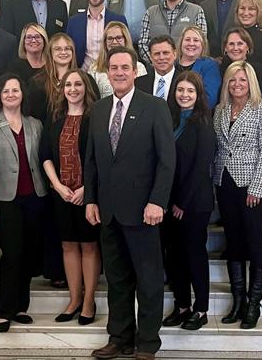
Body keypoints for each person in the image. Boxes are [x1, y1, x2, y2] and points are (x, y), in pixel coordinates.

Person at [84, 46, 175, 360]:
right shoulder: (99, 110)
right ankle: (119, 338)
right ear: (107, 73)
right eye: (114, 68)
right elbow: (92, 160)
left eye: (125, 67)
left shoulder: (155, 107)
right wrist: (91, 200)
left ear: (135, 72)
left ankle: (147, 343)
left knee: (148, 280)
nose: (119, 72)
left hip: (144, 212)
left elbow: (167, 161)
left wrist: (157, 201)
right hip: (108, 212)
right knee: (117, 280)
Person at [0, 73, 48, 333]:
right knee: (12, 253)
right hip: (3, 201)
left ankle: (20, 307)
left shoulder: (35, 124)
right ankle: (3, 311)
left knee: (28, 253)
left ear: (22, 94)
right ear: (0, 95)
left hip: (34, 198)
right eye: (6, 90)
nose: (10, 94)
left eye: (15, 90)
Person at [213, 61, 262, 329]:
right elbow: (219, 148)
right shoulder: (220, 110)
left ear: (251, 82)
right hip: (224, 183)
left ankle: (253, 305)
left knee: (254, 243)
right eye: (232, 80)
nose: (237, 84)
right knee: (234, 243)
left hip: (252, 186)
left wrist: (257, 187)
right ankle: (238, 301)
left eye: (242, 80)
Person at [40, 69, 101, 325]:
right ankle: (74, 299)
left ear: (86, 88)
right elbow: (45, 155)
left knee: (89, 245)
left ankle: (89, 301)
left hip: (88, 195)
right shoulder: (55, 119)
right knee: (67, 245)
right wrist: (57, 186)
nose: (73, 89)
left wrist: (86, 189)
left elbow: (101, 157)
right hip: (62, 195)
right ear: (62, 90)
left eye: (78, 84)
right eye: (68, 85)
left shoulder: (95, 117)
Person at [162, 71, 216, 331]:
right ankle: (182, 305)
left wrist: (182, 203)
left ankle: (201, 309)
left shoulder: (203, 122)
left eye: (190, 91)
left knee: (194, 254)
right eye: (180, 90)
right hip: (169, 201)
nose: (184, 95)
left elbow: (200, 167)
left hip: (194, 202)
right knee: (174, 256)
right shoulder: (169, 119)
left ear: (198, 95)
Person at [27, 33, 99, 123]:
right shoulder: (37, 82)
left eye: (67, 48)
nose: (63, 52)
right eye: (58, 49)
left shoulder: (87, 79)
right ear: (50, 53)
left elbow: (95, 110)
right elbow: (33, 115)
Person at [138, 0, 206, 64]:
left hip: (187, 69)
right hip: (157, 68)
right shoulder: (150, 12)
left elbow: (201, 42)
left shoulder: (196, 11)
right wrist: (158, 63)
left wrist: (184, 64)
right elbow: (143, 44)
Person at [66, 0, 127, 71]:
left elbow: (126, 49)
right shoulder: (73, 22)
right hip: (83, 74)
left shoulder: (118, 20)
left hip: (111, 73)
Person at [88, 21, 147, 98]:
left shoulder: (139, 67)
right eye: (110, 38)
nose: (114, 42)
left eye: (118, 38)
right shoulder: (94, 69)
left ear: (126, 39)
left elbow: (143, 96)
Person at [177, 25, 221, 109]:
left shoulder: (210, 66)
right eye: (187, 39)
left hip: (198, 114)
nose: (191, 43)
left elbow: (209, 100)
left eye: (196, 40)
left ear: (203, 44)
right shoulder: (172, 64)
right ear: (181, 42)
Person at [135, 35, 182, 114]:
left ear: (174, 54)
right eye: (157, 54)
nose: (161, 57)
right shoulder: (138, 84)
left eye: (165, 53)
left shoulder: (185, 80)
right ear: (150, 57)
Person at [220, 27, 262, 93]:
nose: (235, 48)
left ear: (248, 47)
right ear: (225, 48)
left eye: (240, 44)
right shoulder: (219, 70)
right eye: (231, 44)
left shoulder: (257, 70)